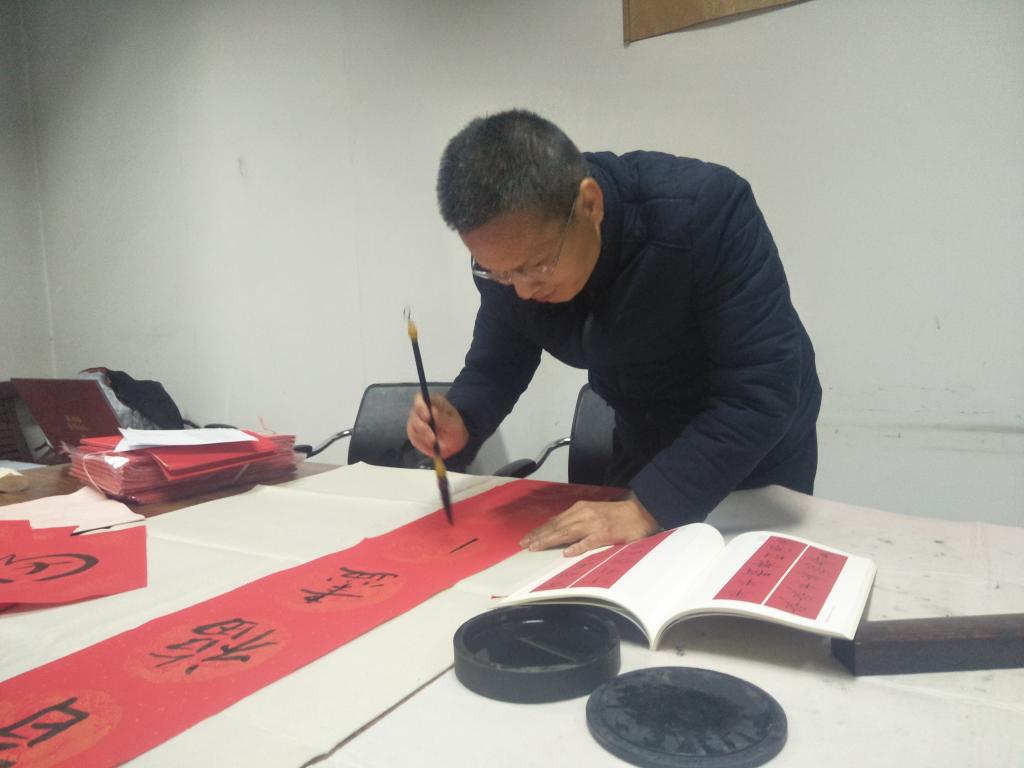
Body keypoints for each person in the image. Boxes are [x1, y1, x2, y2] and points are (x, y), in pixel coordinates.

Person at [407, 109, 821, 557]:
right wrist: (463, 420)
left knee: (740, 581)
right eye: (499, 272)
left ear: (590, 204)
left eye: (538, 266)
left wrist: (646, 508)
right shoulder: (510, 264)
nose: (522, 290)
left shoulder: (703, 213)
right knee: (618, 572)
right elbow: (498, 364)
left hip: (750, 448)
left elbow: (761, 390)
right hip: (641, 430)